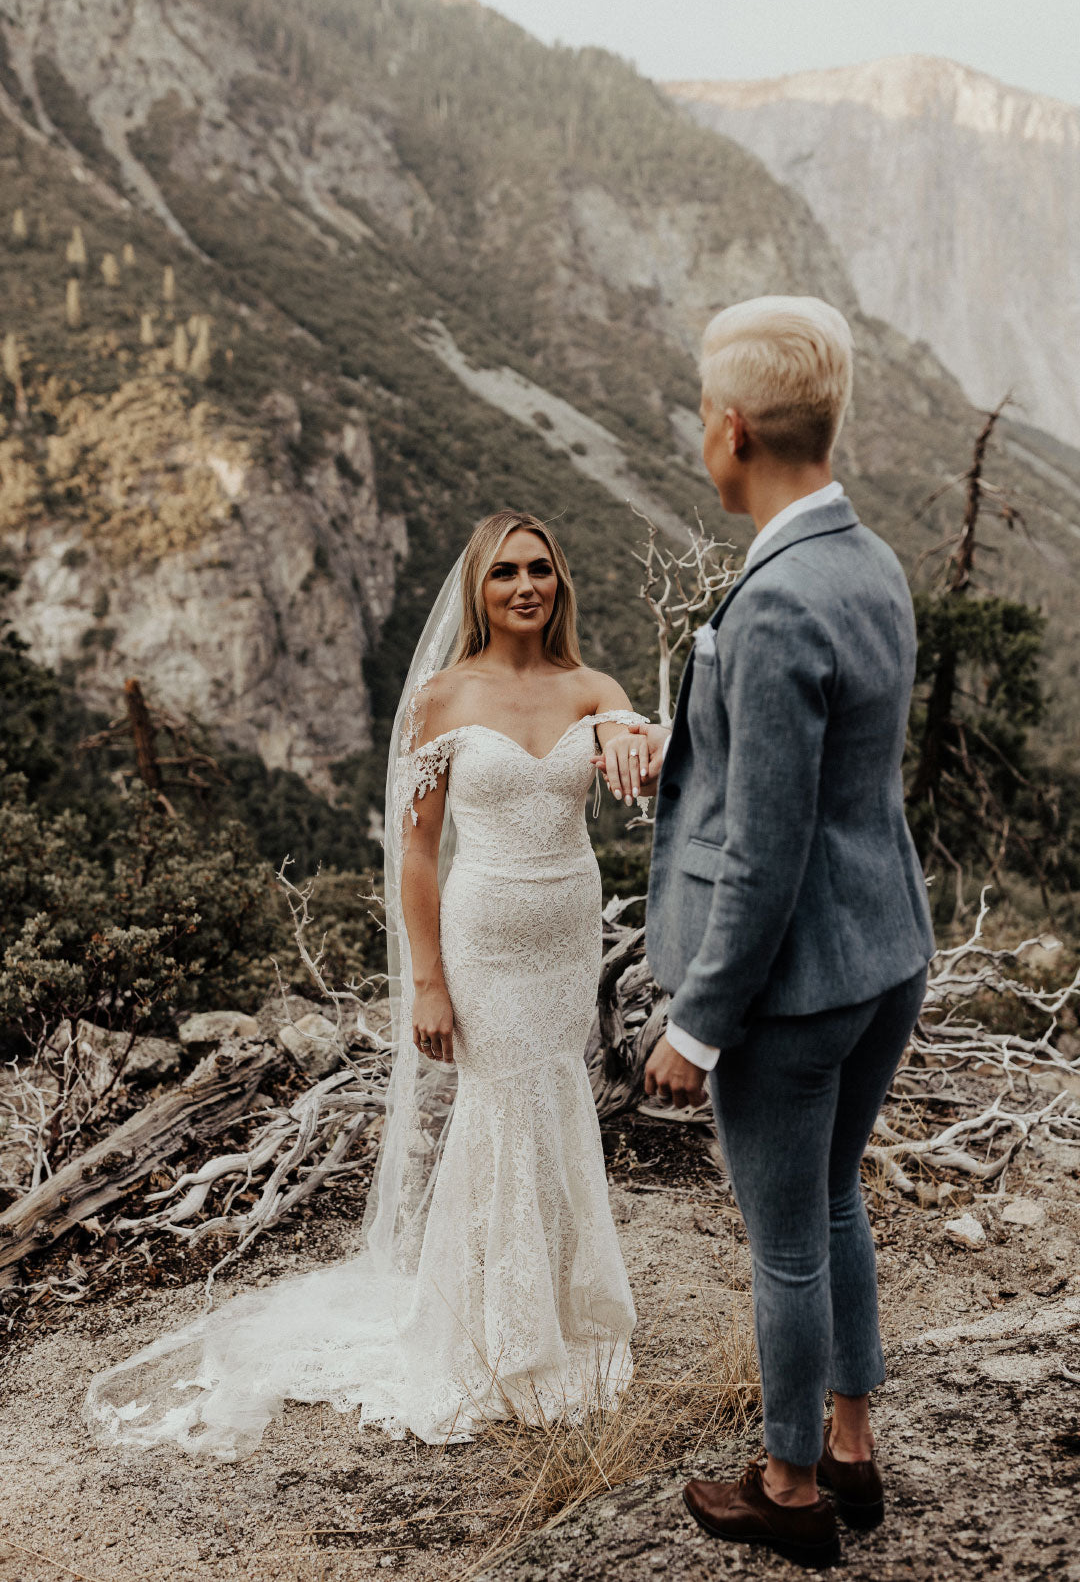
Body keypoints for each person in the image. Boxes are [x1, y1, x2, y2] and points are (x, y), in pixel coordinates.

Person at [85, 509, 642, 1457]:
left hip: (565, 939)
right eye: (504, 572)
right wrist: (427, 981)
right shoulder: (441, 698)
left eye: (539, 570)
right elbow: (416, 855)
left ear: (561, 581)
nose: (524, 588)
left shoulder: (594, 689)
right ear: (478, 587)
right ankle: (489, 1336)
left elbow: (649, 748)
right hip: (483, 943)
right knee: (497, 1108)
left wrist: (642, 733)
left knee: (556, 1099)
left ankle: (554, 1314)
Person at [596, 295, 934, 1569]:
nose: (700, 433)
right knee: (835, 1198)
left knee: (784, 1242)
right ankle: (851, 1446)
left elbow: (767, 851)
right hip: (883, 949)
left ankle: (789, 1491)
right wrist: (679, 743)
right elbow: (819, 771)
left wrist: (698, 1023)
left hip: (792, 989)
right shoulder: (868, 559)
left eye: (700, 415)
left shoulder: (778, 600)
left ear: (731, 431)